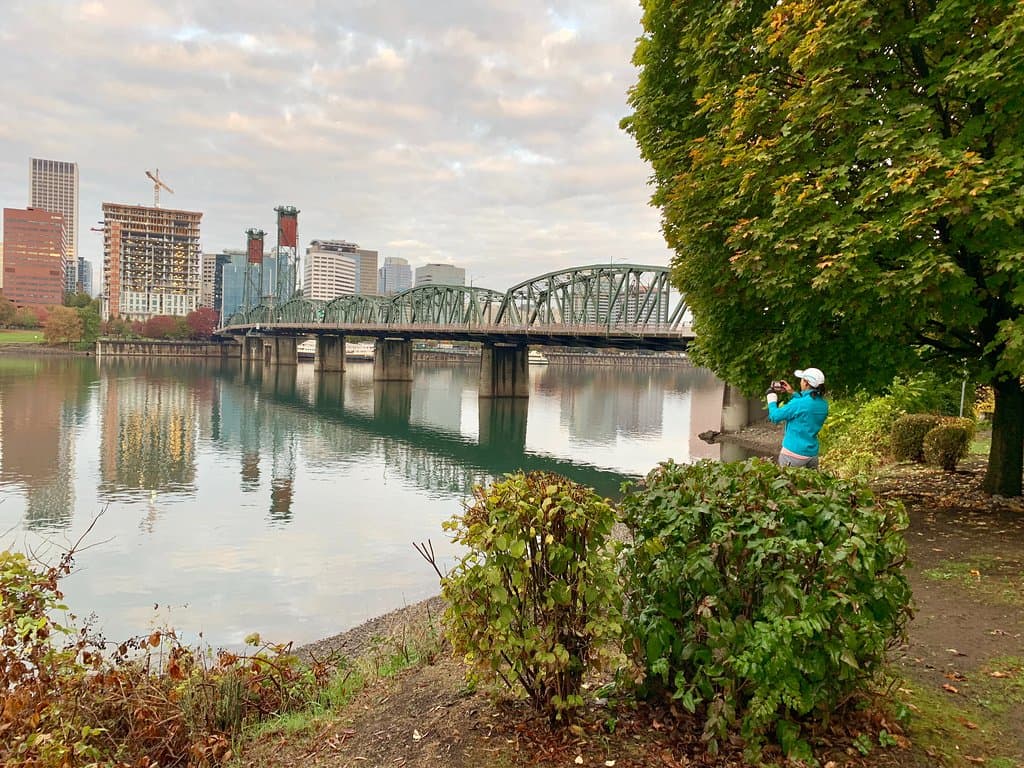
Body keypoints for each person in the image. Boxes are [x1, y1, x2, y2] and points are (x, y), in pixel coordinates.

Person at [766, 367, 829, 469]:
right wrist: (792, 392)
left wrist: (771, 398)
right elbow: (807, 406)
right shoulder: (823, 404)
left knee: (787, 484)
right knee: (809, 485)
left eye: (801, 379)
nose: (800, 382)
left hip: (793, 454)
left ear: (806, 383)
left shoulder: (799, 404)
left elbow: (774, 416)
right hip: (812, 455)